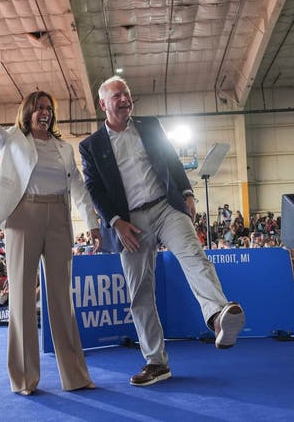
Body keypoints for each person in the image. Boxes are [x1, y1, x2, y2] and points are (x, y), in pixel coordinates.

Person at [79, 75, 246, 387]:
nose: (124, 99)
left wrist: (187, 193)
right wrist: (115, 222)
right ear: (103, 104)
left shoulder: (150, 125)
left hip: (166, 207)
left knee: (194, 256)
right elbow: (94, 189)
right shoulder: (91, 146)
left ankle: (219, 315)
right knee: (140, 293)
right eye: (117, 96)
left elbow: (170, 159)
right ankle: (156, 363)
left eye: (126, 94)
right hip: (130, 222)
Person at [0, 40, 101, 395]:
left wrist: (91, 224)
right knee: (21, 301)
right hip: (22, 218)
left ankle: (75, 376)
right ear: (28, 112)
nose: (44, 112)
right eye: (38, 107)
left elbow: (78, 188)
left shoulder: (65, 148)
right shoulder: (12, 139)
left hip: (60, 219)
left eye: (48, 108)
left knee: (62, 298)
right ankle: (25, 378)